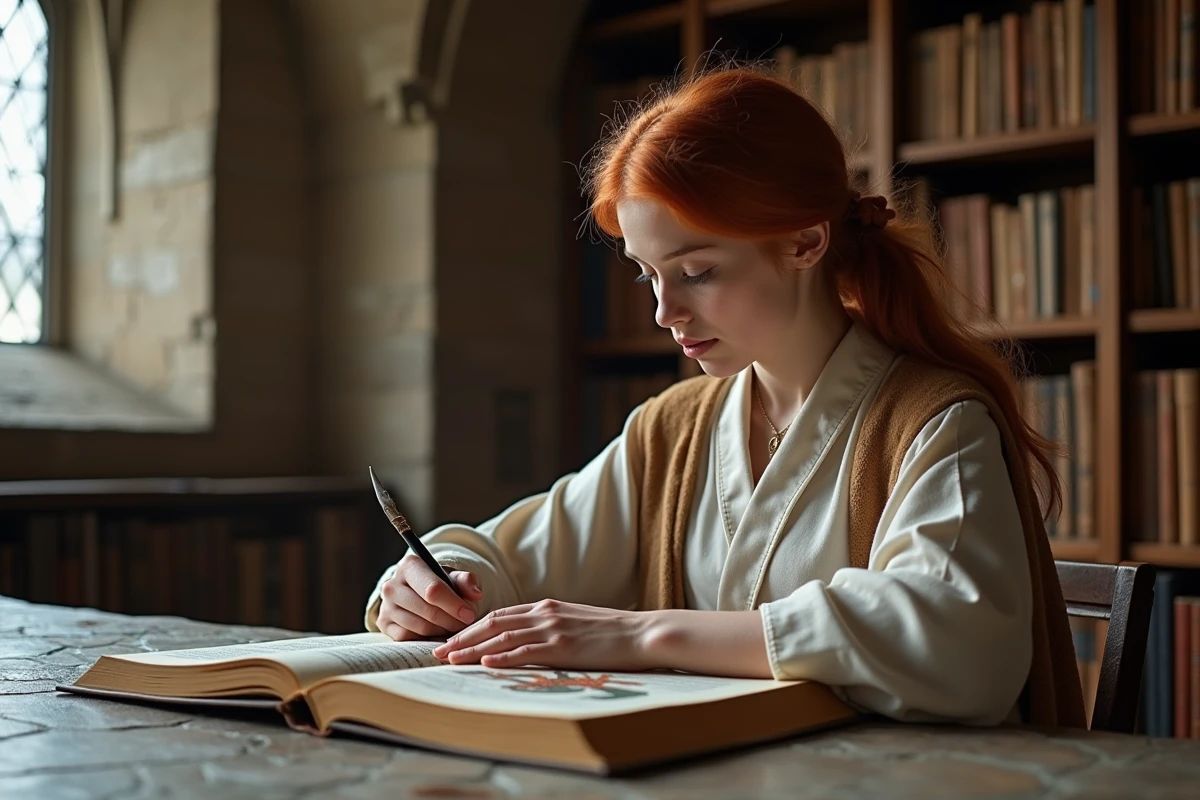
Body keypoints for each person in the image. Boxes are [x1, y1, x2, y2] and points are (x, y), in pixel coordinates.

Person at [364, 65, 1086, 729]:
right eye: (648, 275)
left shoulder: (932, 423)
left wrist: (644, 633)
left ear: (805, 242)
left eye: (697, 271)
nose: (662, 312)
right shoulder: (675, 429)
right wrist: (443, 582)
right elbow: (511, 554)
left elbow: (956, 646)